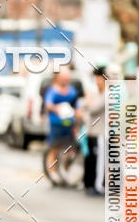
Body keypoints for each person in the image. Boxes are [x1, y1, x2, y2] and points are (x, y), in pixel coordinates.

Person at [43, 67, 79, 171]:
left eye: (68, 77)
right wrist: (58, 109)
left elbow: (76, 107)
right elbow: (48, 105)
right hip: (56, 124)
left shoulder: (72, 91)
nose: (67, 79)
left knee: (70, 149)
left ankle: (65, 171)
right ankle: (52, 173)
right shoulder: (52, 91)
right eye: (64, 77)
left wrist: (76, 120)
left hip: (69, 125)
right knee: (54, 149)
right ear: (57, 77)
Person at [83, 66, 106, 196]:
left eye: (99, 79)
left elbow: (92, 109)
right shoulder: (96, 93)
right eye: (95, 79)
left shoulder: (107, 94)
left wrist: (88, 102)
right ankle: (89, 184)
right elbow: (85, 106)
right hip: (91, 132)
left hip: (101, 133)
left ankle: (98, 185)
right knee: (90, 158)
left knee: (99, 161)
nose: (97, 82)